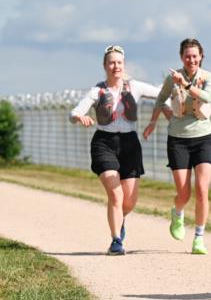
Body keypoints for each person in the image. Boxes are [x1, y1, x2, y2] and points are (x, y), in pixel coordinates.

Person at [69, 45, 167, 255]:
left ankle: (119, 220)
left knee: (129, 201)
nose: (116, 66)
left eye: (119, 63)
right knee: (116, 194)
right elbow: (74, 112)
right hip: (104, 143)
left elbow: (162, 95)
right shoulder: (97, 91)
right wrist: (80, 117)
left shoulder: (135, 87)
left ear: (124, 65)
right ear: (105, 66)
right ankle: (116, 241)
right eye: (111, 63)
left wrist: (162, 112)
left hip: (130, 144)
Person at [143, 38, 211, 255]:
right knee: (184, 193)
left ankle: (199, 238)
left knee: (203, 190)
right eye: (187, 56)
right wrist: (153, 122)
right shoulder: (171, 79)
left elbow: (207, 96)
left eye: (195, 56)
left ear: (201, 57)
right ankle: (177, 213)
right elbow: (160, 100)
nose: (191, 60)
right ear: (181, 58)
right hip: (178, 139)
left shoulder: (208, 78)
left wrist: (185, 84)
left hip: (203, 137)